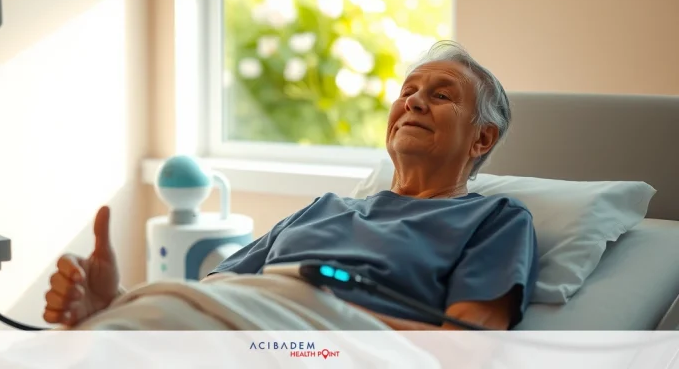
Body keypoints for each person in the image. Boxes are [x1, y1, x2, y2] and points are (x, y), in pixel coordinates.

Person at [43, 41, 539, 331]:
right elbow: (215, 300)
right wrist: (116, 300)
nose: (413, 102)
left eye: (441, 95)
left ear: (482, 138)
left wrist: (328, 314)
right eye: (408, 91)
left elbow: (467, 349)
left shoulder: (494, 221)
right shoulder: (324, 209)